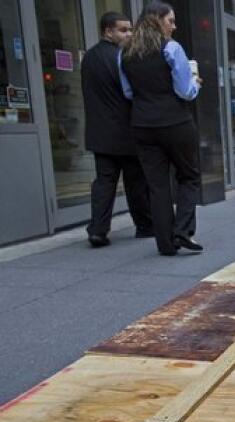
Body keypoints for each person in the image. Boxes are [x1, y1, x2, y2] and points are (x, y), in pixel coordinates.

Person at [119, 1, 203, 256]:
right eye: (170, 21)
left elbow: (128, 92)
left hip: (143, 123)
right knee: (188, 176)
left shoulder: (125, 52)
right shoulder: (171, 48)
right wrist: (196, 83)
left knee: (157, 185)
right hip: (175, 121)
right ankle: (183, 230)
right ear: (157, 19)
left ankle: (165, 243)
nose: (174, 27)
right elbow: (185, 91)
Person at [81, 12, 152, 248]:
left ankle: (98, 230)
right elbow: (132, 93)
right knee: (136, 182)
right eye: (123, 30)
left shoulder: (89, 58)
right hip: (126, 131)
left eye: (130, 29)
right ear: (107, 31)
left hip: (100, 132)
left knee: (104, 182)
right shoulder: (123, 57)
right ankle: (144, 225)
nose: (129, 34)